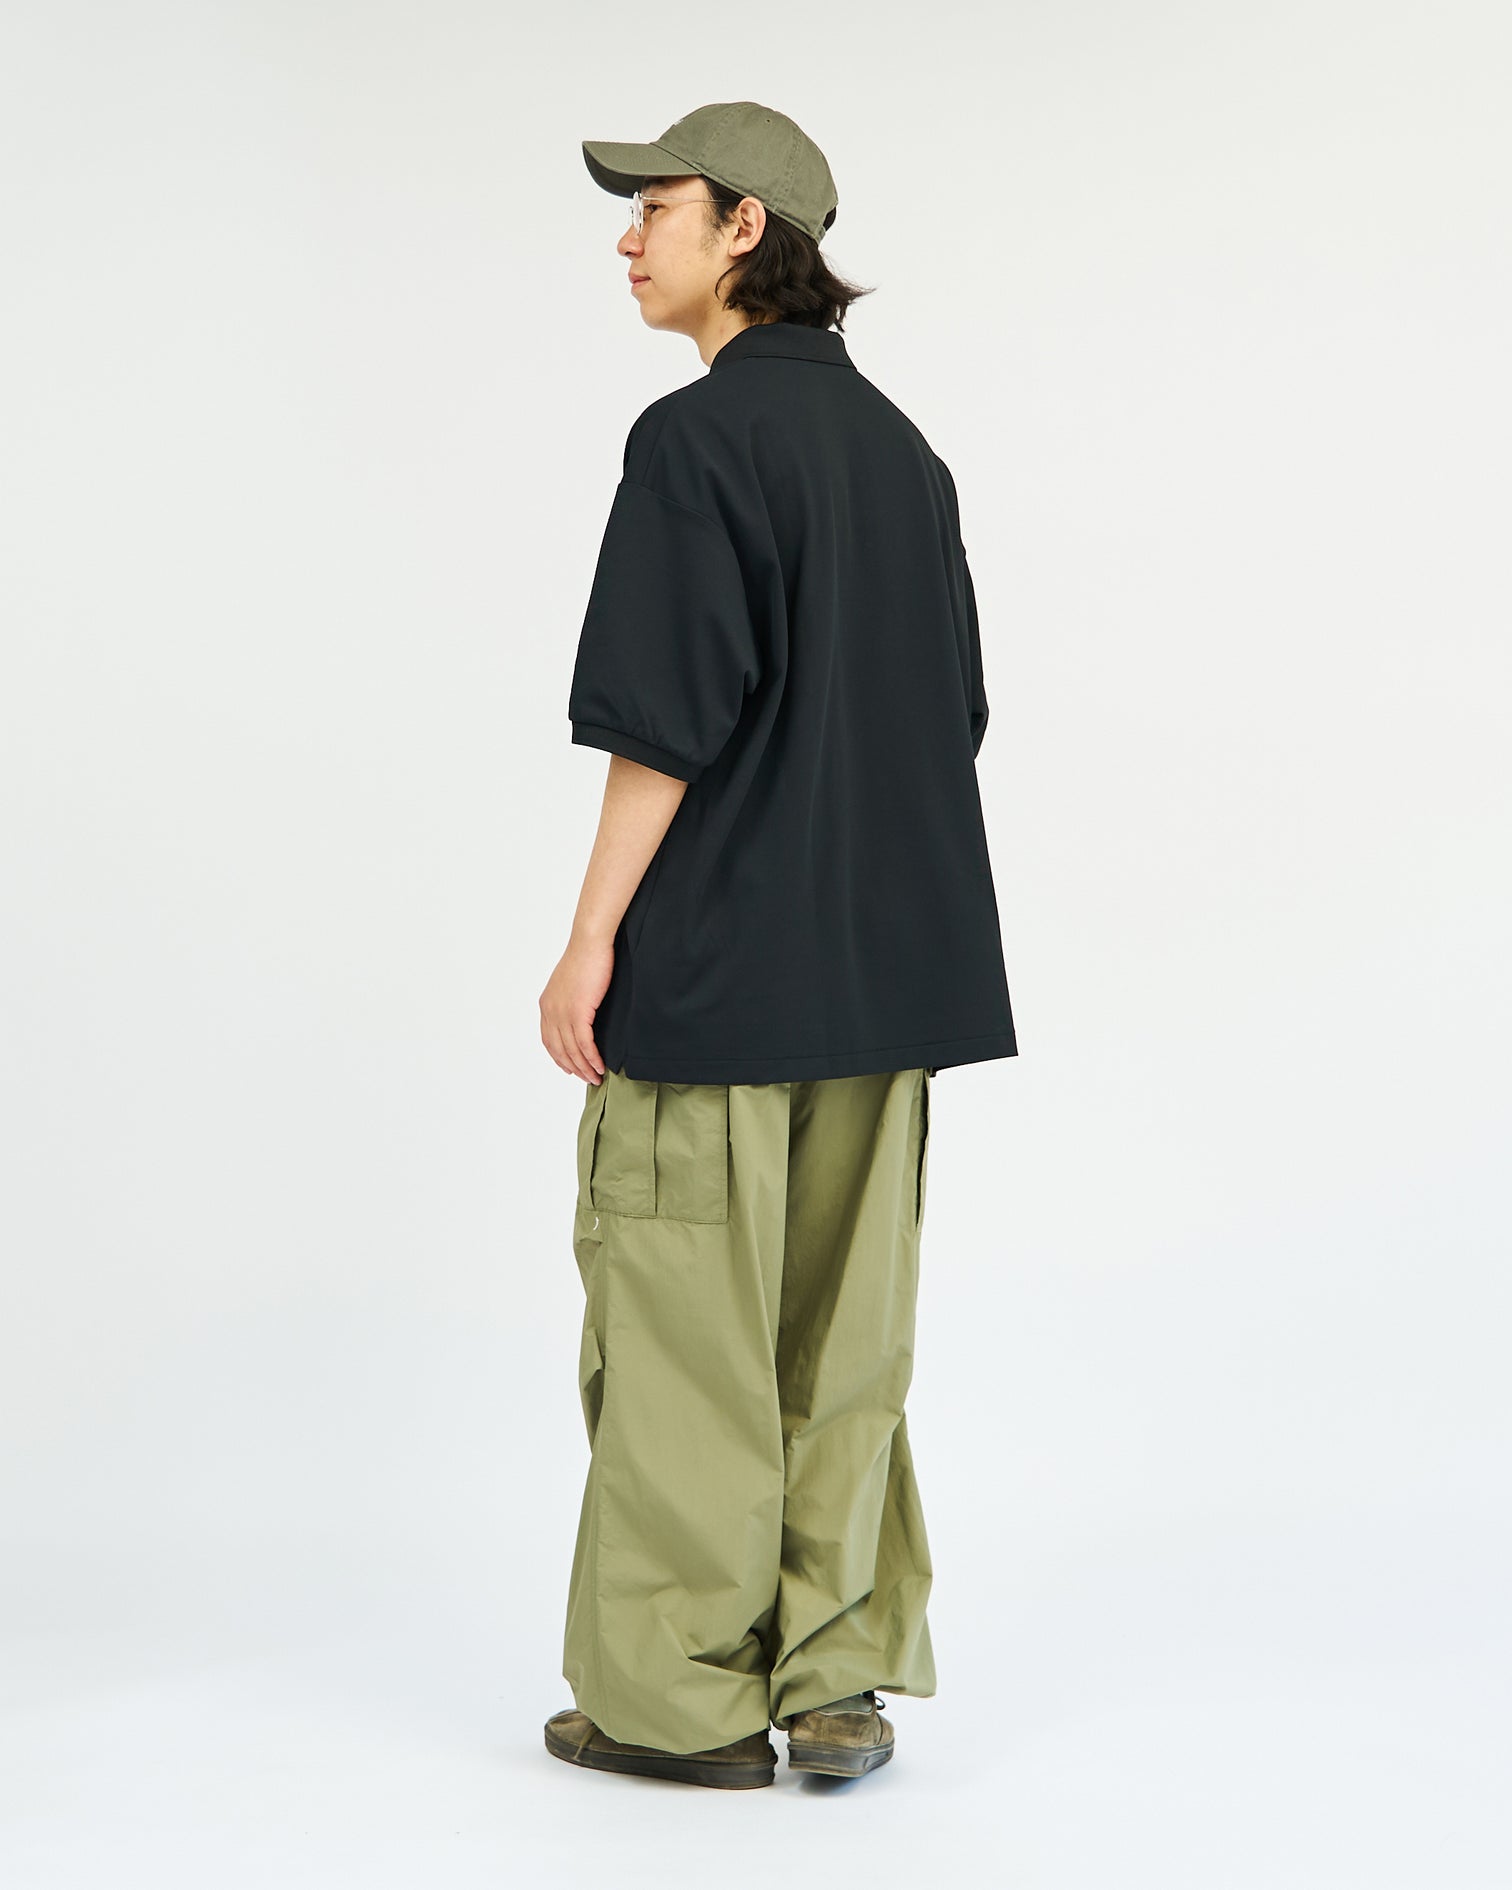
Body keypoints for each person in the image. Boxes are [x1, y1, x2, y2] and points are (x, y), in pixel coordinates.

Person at [538, 101, 1017, 1790]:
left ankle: (678, 1703)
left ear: (747, 228)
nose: (627, 239)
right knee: (843, 1341)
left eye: (656, 208)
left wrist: (589, 940)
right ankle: (834, 1682)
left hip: (718, 986)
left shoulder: (695, 441)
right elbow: (953, 717)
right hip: (888, 993)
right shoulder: (906, 457)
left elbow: (662, 721)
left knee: (687, 1342)